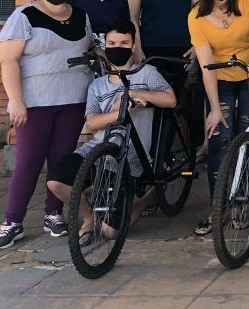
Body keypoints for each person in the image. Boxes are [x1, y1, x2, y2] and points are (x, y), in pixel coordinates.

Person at [0, 0, 94, 249]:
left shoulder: (81, 16)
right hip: (35, 102)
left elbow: (88, 48)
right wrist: (16, 101)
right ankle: (12, 221)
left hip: (73, 100)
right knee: (28, 161)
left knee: (60, 161)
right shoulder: (24, 15)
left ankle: (53, 213)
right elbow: (8, 59)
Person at [46, 21, 176, 239]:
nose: (118, 47)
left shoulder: (147, 74)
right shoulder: (97, 85)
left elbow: (170, 99)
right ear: (105, 46)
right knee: (56, 180)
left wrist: (135, 94)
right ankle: (89, 217)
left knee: (111, 232)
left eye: (124, 43)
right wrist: (120, 112)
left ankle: (145, 201)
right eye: (112, 43)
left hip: (130, 157)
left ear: (134, 45)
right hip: (96, 151)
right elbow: (92, 122)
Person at [187, 0, 249, 237]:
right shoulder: (196, 15)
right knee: (220, 140)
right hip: (220, 79)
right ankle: (218, 206)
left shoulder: (248, 1)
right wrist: (215, 108)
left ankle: (243, 201)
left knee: (247, 137)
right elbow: (206, 67)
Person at [127, 0, 200, 145]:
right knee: (146, 105)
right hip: (149, 51)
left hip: (181, 51)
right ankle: (145, 157)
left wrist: (197, 45)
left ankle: (163, 158)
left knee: (171, 104)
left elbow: (199, 13)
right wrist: (137, 47)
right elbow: (131, 15)